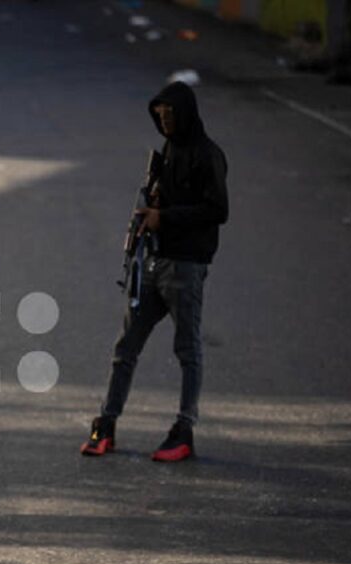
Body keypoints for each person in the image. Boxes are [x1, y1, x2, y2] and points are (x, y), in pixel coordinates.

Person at [80, 81, 228, 462]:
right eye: (159, 117)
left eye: (169, 116)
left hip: (186, 267)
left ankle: (184, 429)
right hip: (154, 262)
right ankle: (106, 422)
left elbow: (218, 210)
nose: (164, 123)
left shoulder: (208, 155)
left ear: (185, 114)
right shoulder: (169, 149)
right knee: (126, 347)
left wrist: (166, 217)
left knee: (187, 350)